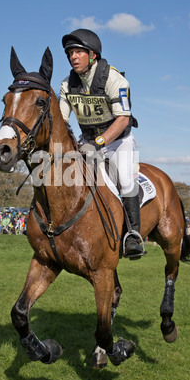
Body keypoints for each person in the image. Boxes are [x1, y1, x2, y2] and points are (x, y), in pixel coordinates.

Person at [59, 28, 145, 258]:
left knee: (126, 181)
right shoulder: (67, 85)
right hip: (86, 142)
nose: (73, 57)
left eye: (78, 52)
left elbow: (123, 118)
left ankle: (133, 237)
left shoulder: (115, 79)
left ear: (93, 55)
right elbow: (61, 119)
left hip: (118, 141)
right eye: (70, 53)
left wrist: (99, 142)